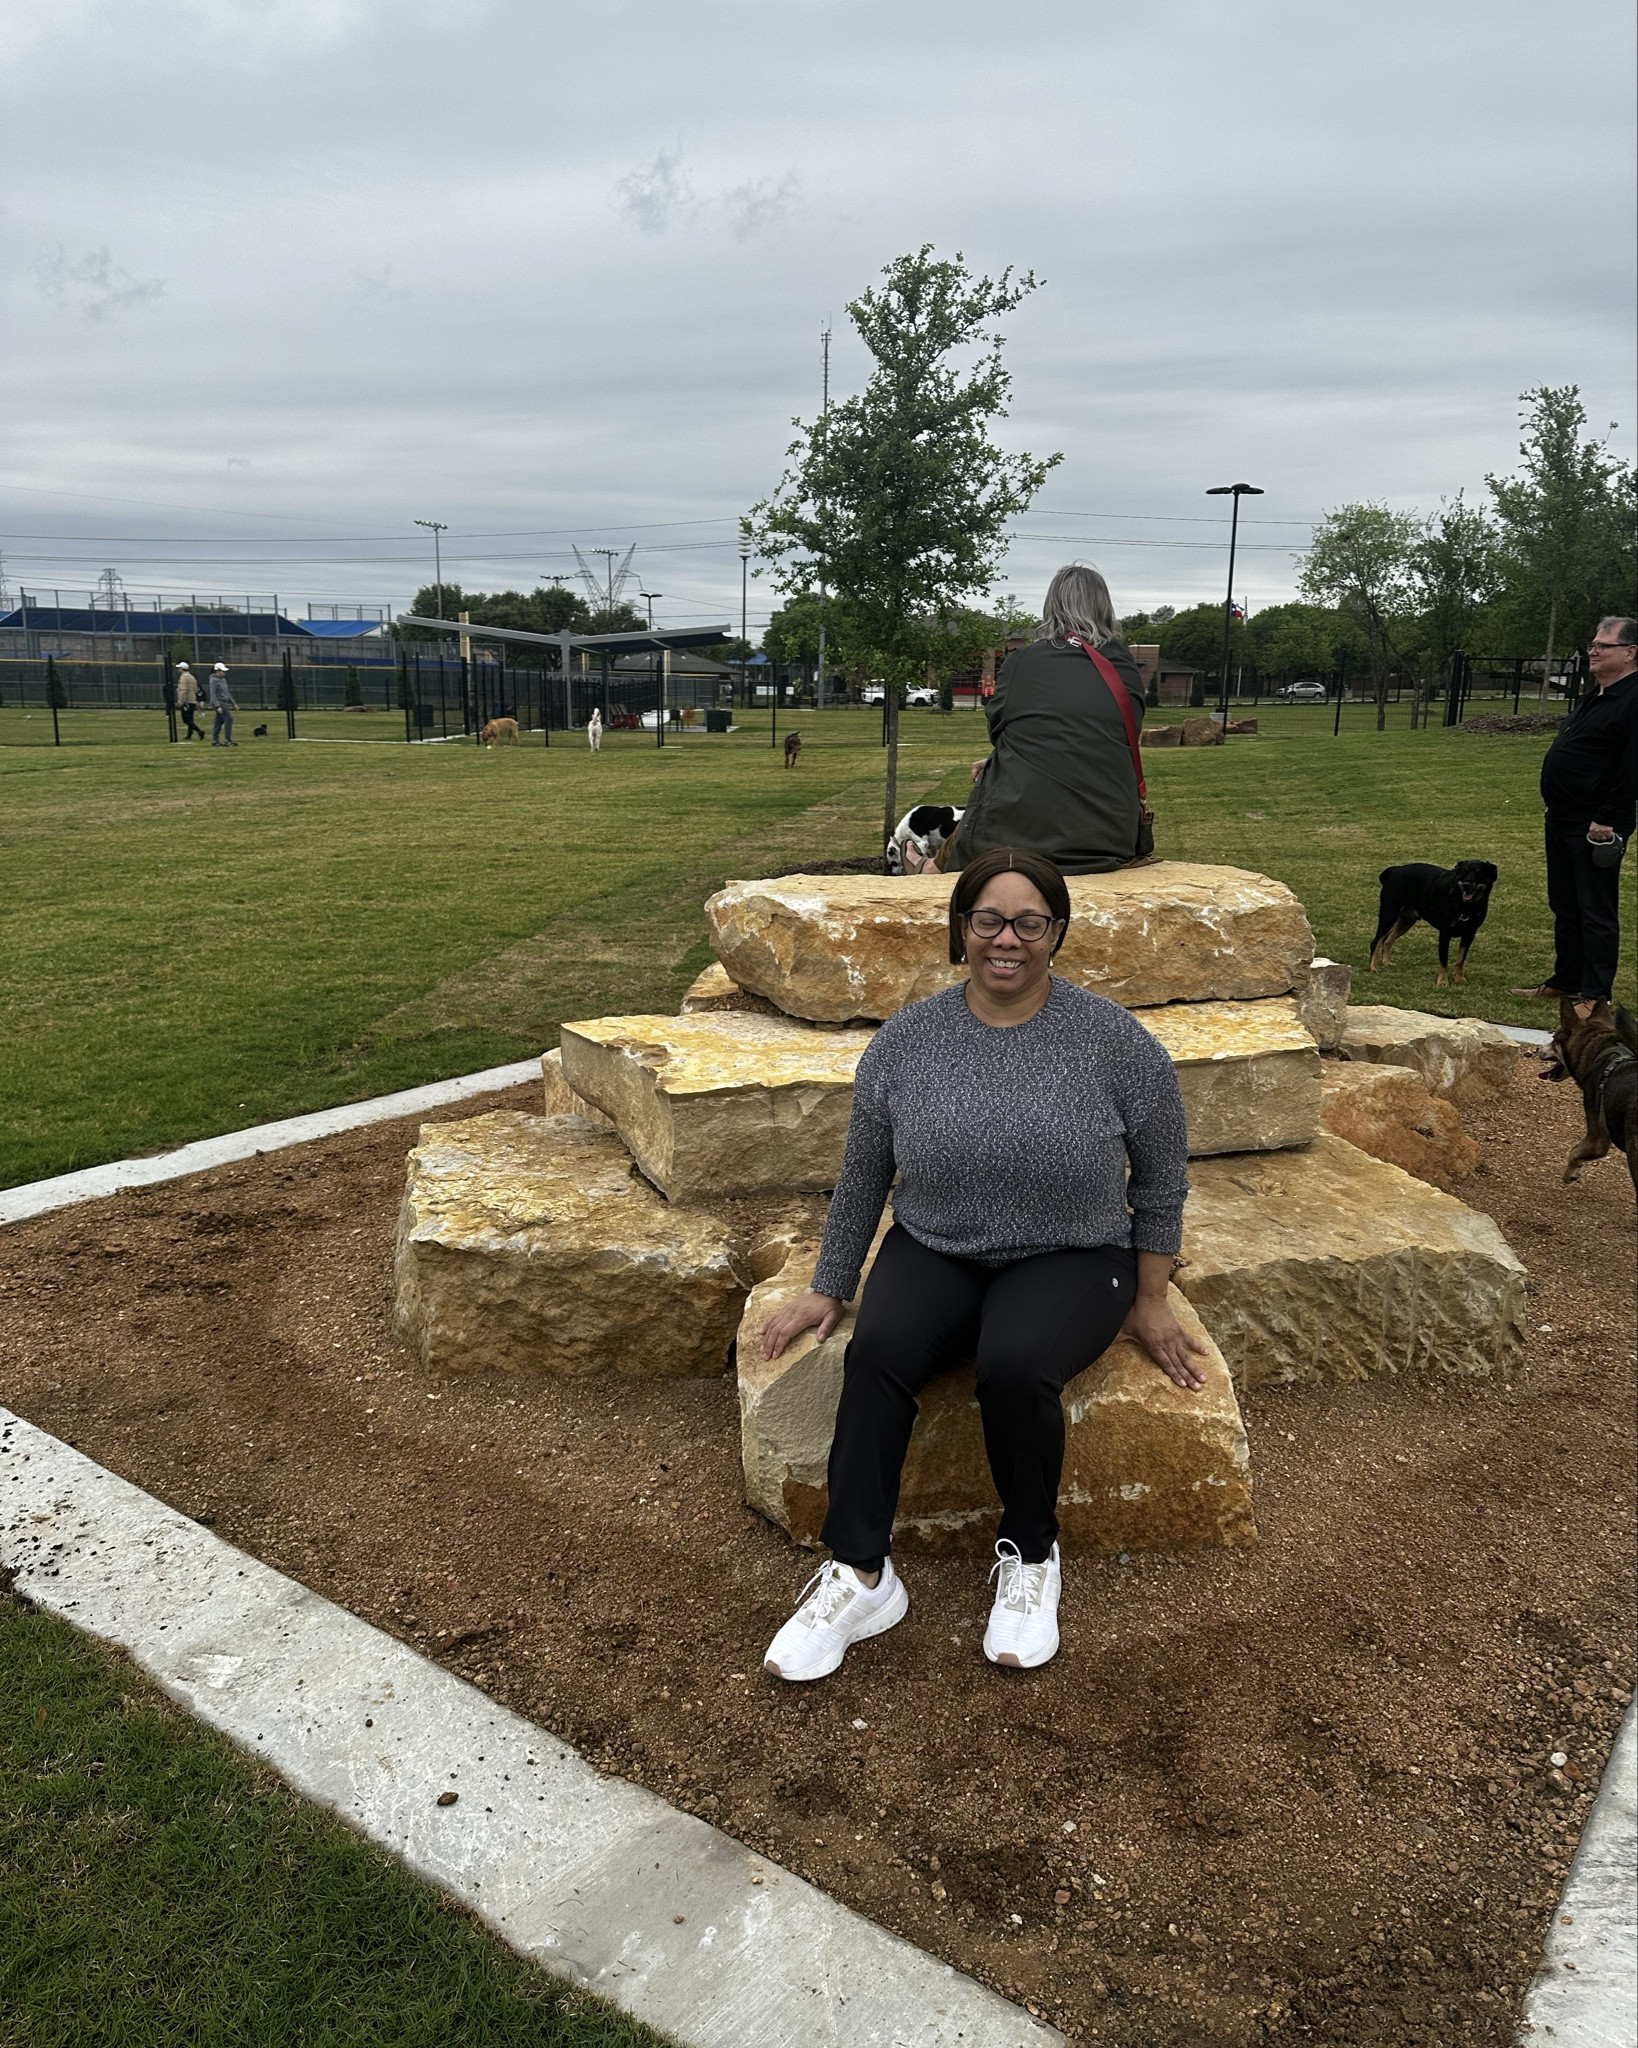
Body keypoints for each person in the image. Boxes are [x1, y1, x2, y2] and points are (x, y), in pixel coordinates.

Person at [759, 848, 1205, 1682]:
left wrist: (1152, 1298)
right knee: (877, 1352)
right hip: (937, 1243)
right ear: (960, 927)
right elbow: (864, 1174)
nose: (1008, 939)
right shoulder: (907, 1041)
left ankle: (1031, 1557)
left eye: (1029, 923)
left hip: (1074, 1251)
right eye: (989, 920)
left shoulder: (1115, 1041)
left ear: (1057, 932)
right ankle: (861, 1577)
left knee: (1015, 1364)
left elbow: (1161, 1178)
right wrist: (829, 1285)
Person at [930, 564, 1148, 876]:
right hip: (1111, 837)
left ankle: (928, 871)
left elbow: (999, 729)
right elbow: (1111, 739)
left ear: (1051, 607)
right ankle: (929, 868)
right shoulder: (1125, 666)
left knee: (976, 819)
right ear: (1105, 608)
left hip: (1020, 836)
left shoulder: (1023, 661)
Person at [1516, 616, 1637, 1017]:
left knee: (1595, 910)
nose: (1594, 651)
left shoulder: (1633, 699)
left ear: (1630, 653)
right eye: (1593, 644)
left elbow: (1631, 768)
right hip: (1562, 817)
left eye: (1603, 645)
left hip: (1596, 824)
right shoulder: (1596, 695)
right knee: (1565, 905)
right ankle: (1566, 981)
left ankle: (1595, 995)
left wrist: (1607, 818)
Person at [209, 663, 238, 747]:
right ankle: (227, 740)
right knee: (229, 719)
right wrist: (217, 706)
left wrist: (233, 703)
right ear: (217, 671)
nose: (224, 673)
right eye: (222, 671)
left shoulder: (223, 680)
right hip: (219, 703)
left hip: (224, 703)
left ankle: (215, 740)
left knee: (219, 721)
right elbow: (213, 694)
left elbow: (227, 693)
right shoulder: (213, 680)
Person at [174, 661, 204, 740]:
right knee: (190, 719)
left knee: (186, 720)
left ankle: (199, 731)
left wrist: (181, 700)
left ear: (182, 669)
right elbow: (196, 689)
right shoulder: (192, 677)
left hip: (186, 701)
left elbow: (183, 689)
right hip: (192, 700)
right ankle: (189, 734)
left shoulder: (183, 677)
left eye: (179, 668)